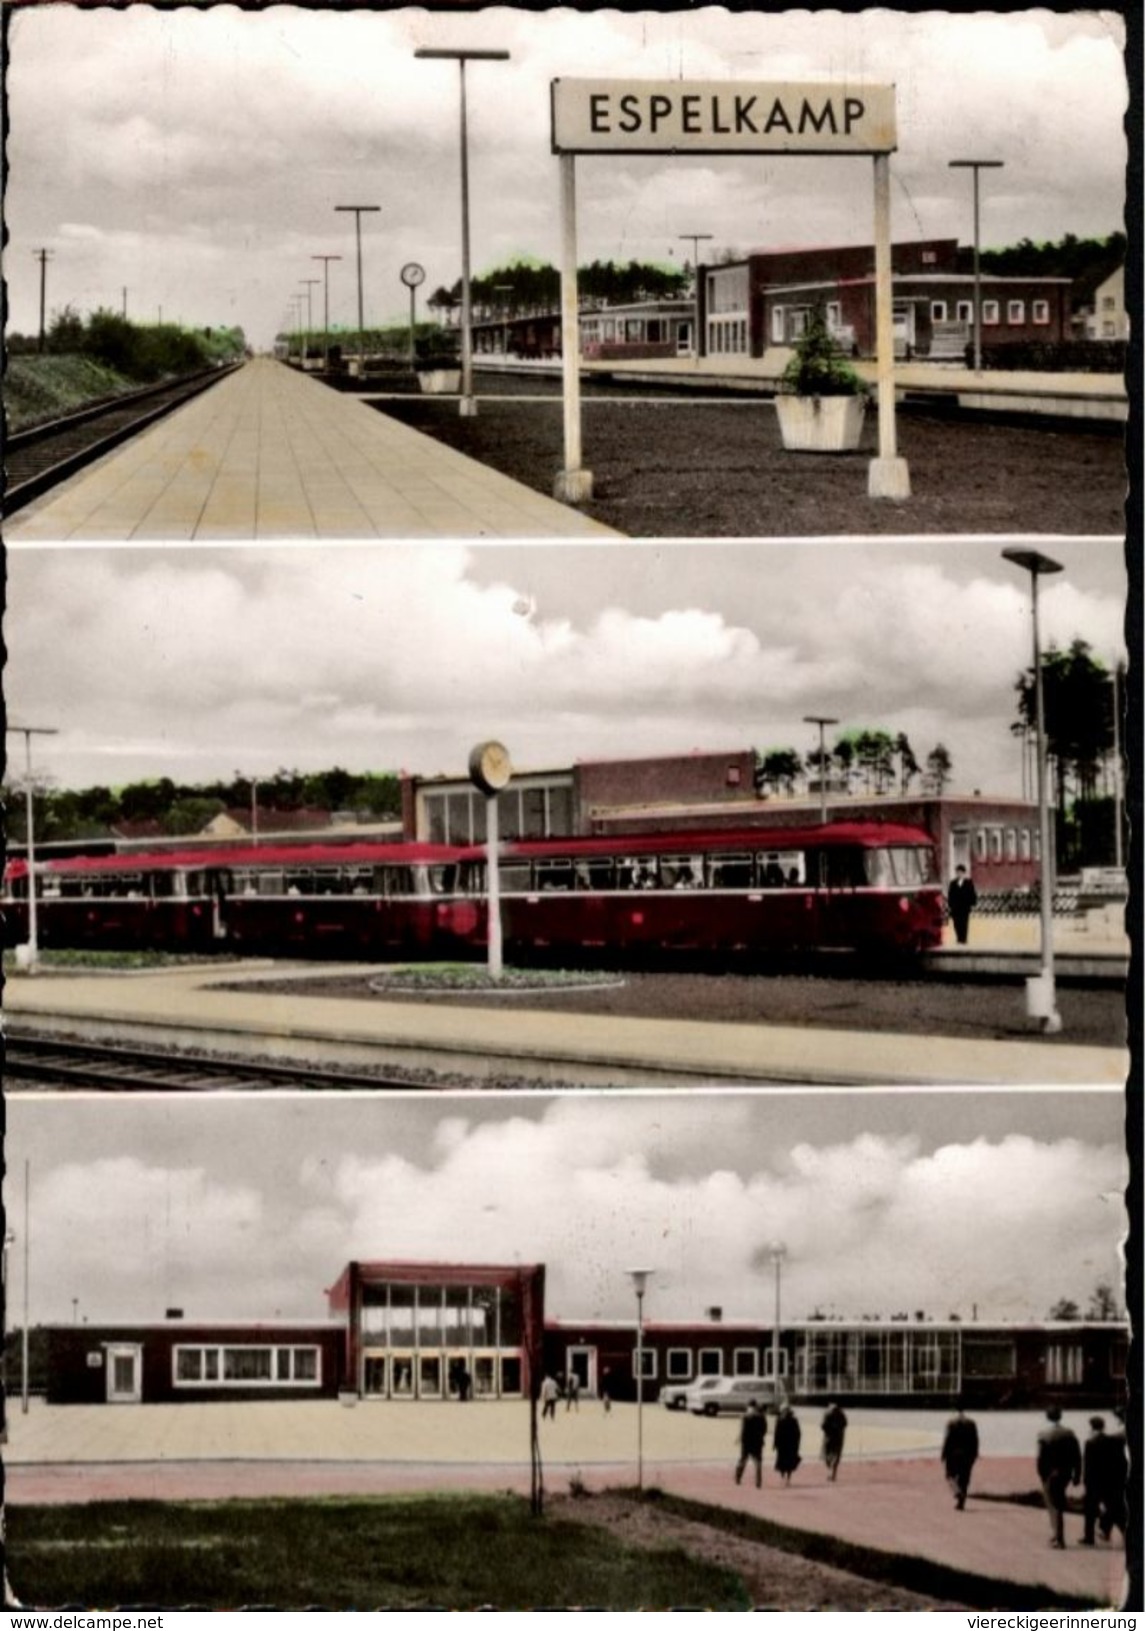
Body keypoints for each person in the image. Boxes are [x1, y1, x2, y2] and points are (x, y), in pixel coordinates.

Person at [1037, 1405, 1082, 1548]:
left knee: (1053, 1505)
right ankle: (1056, 1535)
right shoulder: (1070, 1433)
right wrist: (1077, 1475)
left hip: (1050, 1474)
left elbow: (1040, 1458)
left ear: (1047, 1416)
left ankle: (1058, 1538)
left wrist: (1042, 1475)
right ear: (1060, 1416)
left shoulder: (1043, 1434)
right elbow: (1077, 1456)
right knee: (1059, 1502)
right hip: (1066, 1473)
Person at [1081, 1416, 1127, 1544]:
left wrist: (1085, 1481)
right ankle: (1124, 1531)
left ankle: (1088, 1537)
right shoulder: (1114, 1441)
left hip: (1094, 1482)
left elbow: (1088, 1466)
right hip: (1110, 1481)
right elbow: (1121, 1462)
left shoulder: (1090, 1443)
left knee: (1090, 1510)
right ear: (1103, 1426)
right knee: (1115, 1507)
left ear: (1091, 1427)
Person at [941, 1407, 980, 1510]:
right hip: (968, 1454)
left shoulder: (951, 1423)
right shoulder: (971, 1423)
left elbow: (947, 1439)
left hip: (953, 1454)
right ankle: (961, 1503)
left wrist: (944, 1454)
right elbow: (975, 1439)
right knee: (965, 1478)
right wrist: (975, 1453)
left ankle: (957, 1492)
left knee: (950, 1476)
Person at [734, 1401, 767, 1488]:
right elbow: (764, 1430)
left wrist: (739, 1438)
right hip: (757, 1442)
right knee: (758, 1463)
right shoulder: (761, 1417)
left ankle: (738, 1477)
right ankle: (758, 1482)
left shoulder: (745, 1417)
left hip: (746, 1442)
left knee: (743, 1460)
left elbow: (743, 1430)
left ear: (748, 1407)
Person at [947, 864, 978, 945]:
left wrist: (972, 903)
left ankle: (963, 939)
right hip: (955, 908)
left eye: (961, 872)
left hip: (965, 907)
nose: (959, 874)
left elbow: (972, 894)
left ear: (964, 873)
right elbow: (950, 895)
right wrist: (950, 905)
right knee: (956, 923)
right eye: (957, 872)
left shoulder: (968, 883)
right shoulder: (953, 883)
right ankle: (958, 938)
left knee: (964, 923)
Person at [774, 1405, 802, 1485]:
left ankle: (788, 1478)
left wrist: (797, 1443)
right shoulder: (780, 1420)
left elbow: (798, 1433)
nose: (784, 1412)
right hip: (783, 1444)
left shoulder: (793, 1420)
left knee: (789, 1462)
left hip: (790, 1444)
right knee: (782, 1462)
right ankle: (783, 1477)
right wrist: (775, 1444)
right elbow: (777, 1433)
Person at [821, 1402, 848, 1481]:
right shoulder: (840, 1414)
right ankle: (832, 1473)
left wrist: (830, 1430)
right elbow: (845, 1424)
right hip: (837, 1438)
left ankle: (832, 1474)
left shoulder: (828, 1414)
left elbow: (823, 1426)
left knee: (829, 1456)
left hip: (830, 1438)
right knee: (834, 1457)